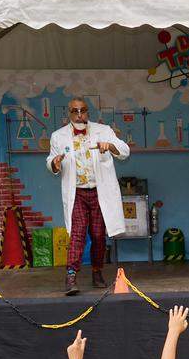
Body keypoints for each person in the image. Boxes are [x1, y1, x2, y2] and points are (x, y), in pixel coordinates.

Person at [46, 97, 131, 296]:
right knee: (77, 233)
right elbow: (50, 160)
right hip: (77, 193)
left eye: (82, 111)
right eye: (74, 111)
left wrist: (109, 146)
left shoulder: (104, 130)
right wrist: (55, 163)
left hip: (99, 193)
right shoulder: (58, 136)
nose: (79, 115)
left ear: (88, 112)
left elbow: (125, 151)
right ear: (69, 113)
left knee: (99, 235)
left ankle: (96, 271)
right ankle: (71, 276)